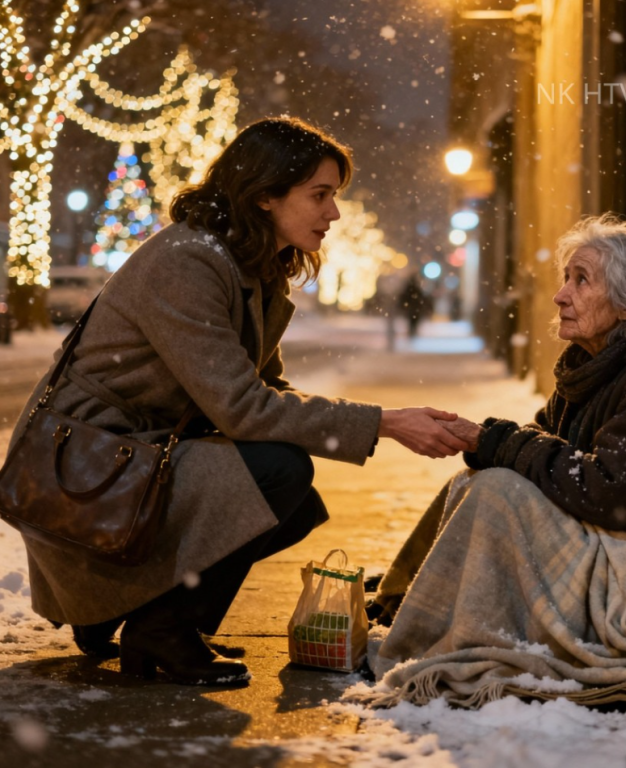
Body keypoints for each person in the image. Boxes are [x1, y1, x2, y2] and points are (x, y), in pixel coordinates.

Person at [7, 117, 469, 686]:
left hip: (131, 460)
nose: (334, 213)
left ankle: (141, 610)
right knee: (277, 473)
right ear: (265, 196)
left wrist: (377, 420)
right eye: (320, 195)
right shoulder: (189, 261)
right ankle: (161, 627)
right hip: (88, 471)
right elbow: (242, 408)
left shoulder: (248, 267)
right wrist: (386, 424)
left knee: (289, 498)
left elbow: (264, 391)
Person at [366, 215, 626, 703]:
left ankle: (434, 628)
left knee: (498, 491)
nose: (559, 295)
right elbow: (540, 446)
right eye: (565, 277)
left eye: (581, 280)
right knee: (480, 479)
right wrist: (487, 443)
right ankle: (405, 602)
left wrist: (497, 442)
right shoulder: (598, 363)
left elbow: (611, 494)